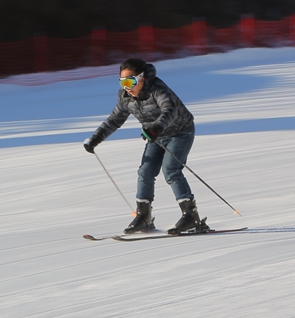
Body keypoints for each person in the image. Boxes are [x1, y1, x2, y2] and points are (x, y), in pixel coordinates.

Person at [83, 57, 206, 235]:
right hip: (156, 135)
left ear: (142, 78)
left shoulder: (157, 88)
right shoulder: (125, 97)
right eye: (123, 81)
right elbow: (114, 120)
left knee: (171, 170)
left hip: (180, 131)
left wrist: (155, 128)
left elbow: (170, 109)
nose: (127, 86)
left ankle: (190, 216)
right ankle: (143, 217)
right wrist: (95, 139)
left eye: (130, 81)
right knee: (145, 171)